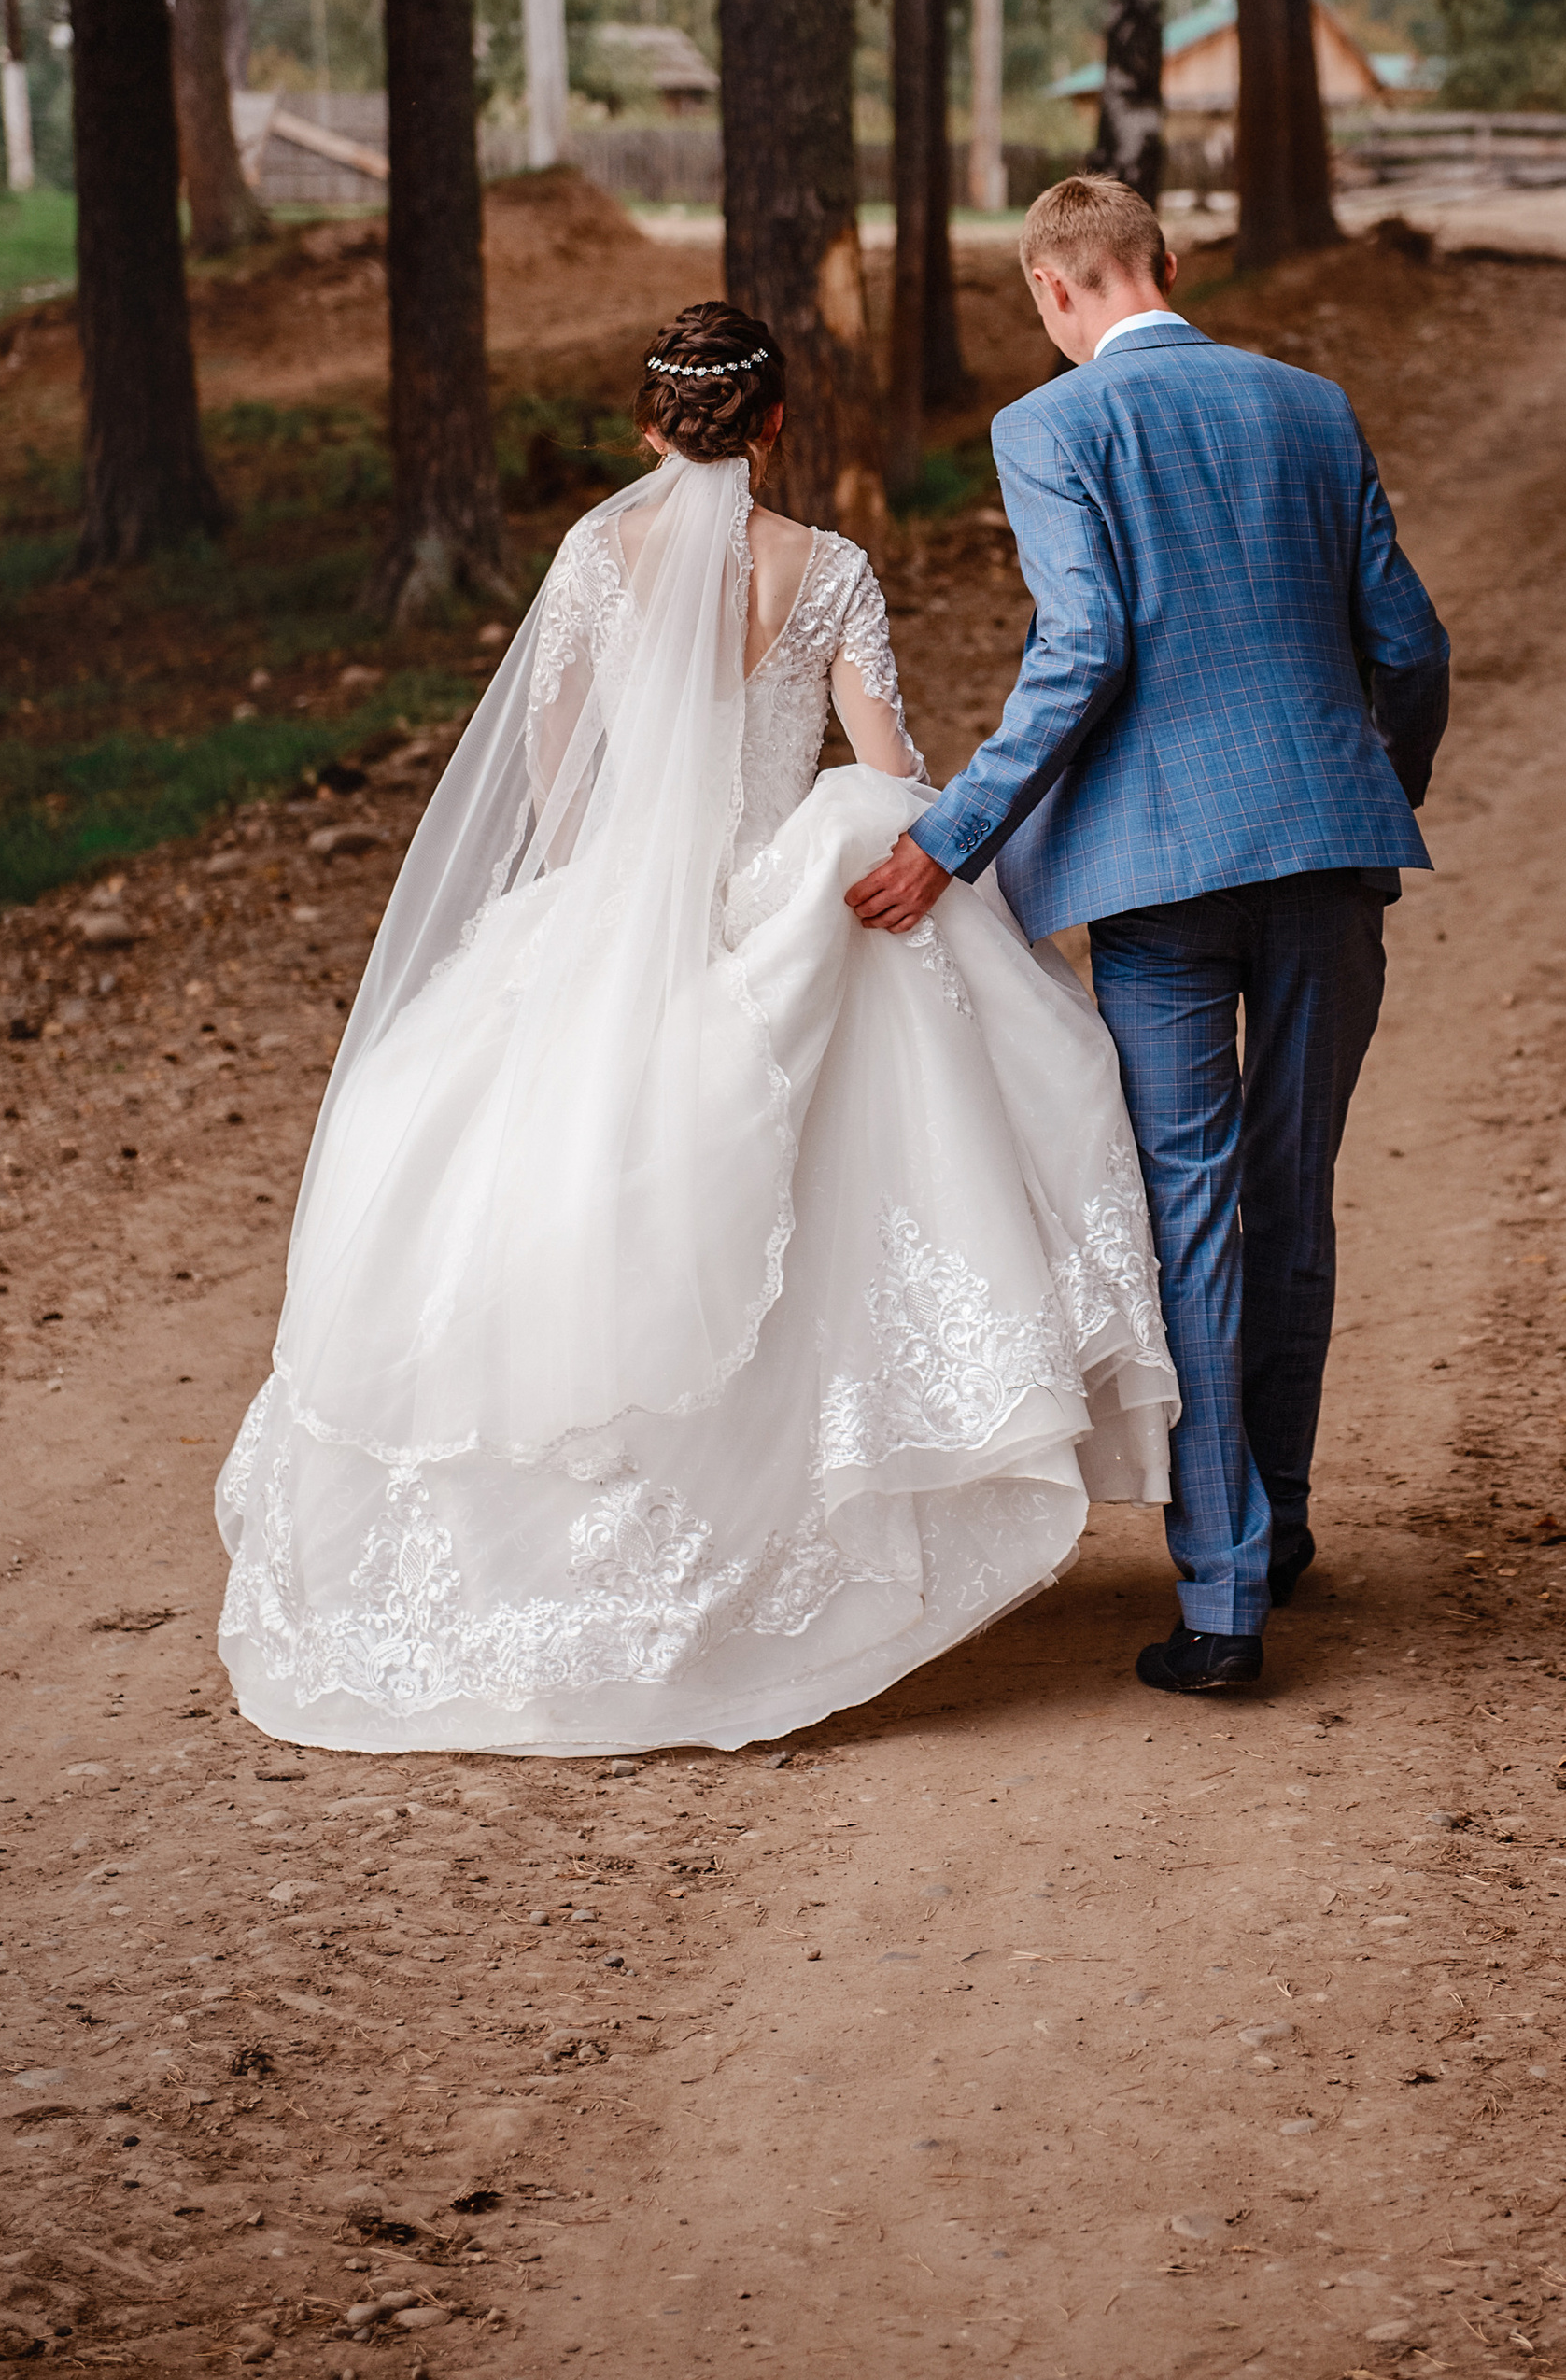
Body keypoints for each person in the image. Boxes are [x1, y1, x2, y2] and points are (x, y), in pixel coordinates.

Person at [216, 302, 1177, 1755]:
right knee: (830, 1185)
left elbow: (552, 778)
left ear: (651, 425)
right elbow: (889, 770)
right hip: (776, 903)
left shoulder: (596, 559)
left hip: (616, 915)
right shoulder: (830, 567)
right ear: (777, 423)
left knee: (542, 1203)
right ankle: (789, 1551)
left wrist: (601, 903)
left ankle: (556, 1566)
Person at [848, 176, 1448, 1695]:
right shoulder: (1311, 404)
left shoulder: (1051, 428)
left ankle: (1227, 1593)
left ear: (1054, 295)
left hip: (1162, 877)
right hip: (1327, 852)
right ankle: (1285, 1520)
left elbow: (1088, 646)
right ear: (1166, 264)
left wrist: (948, 835)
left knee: (1191, 1209)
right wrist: (1366, 789)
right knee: (1291, 1195)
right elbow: (1411, 643)